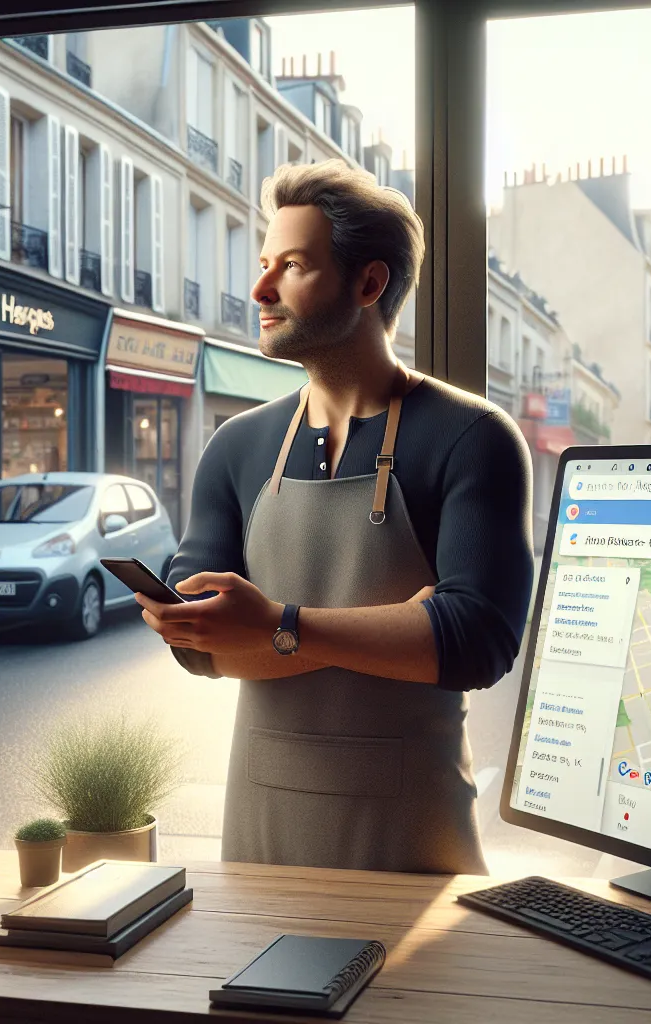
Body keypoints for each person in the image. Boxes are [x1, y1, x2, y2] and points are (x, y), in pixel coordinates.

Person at [136, 160, 533, 875]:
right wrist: (401, 626)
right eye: (264, 264)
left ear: (369, 283)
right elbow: (196, 643)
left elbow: (476, 643)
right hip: (258, 851)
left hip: (418, 850)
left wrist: (275, 629)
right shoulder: (236, 447)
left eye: (291, 266)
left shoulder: (473, 438)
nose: (259, 289)